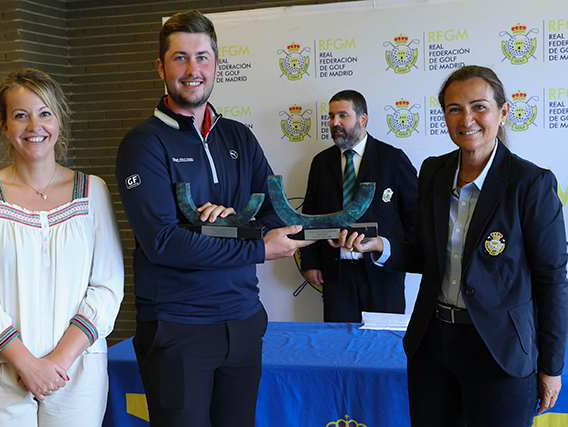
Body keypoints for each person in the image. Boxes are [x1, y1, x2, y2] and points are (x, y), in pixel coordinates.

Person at [337, 65, 568, 426]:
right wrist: (381, 246)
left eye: (479, 107)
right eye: (454, 109)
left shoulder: (530, 184)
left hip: (500, 351)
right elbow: (429, 255)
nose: (466, 119)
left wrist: (552, 367)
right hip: (433, 345)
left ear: (503, 112)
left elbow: (551, 279)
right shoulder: (434, 172)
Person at [115, 10, 311, 427]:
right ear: (161, 67)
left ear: (217, 64)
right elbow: (163, 242)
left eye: (202, 57)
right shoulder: (143, 144)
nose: (193, 70)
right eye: (180, 58)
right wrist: (255, 247)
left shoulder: (239, 136)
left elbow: (275, 212)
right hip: (178, 328)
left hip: (243, 320)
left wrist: (234, 222)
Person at [0, 68, 124, 427]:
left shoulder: (92, 191)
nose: (34, 126)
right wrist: (26, 364)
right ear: (4, 126)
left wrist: (57, 363)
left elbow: (107, 287)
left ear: (59, 120)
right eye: (20, 115)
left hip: (76, 370)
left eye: (45, 113)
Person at [300, 90, 418, 322]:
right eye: (331, 116)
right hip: (336, 275)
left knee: (383, 341)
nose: (334, 123)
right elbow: (310, 215)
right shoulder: (321, 163)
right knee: (339, 341)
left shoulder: (392, 159)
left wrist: (406, 257)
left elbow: (414, 215)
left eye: (343, 115)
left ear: (363, 119)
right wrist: (310, 262)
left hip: (384, 274)